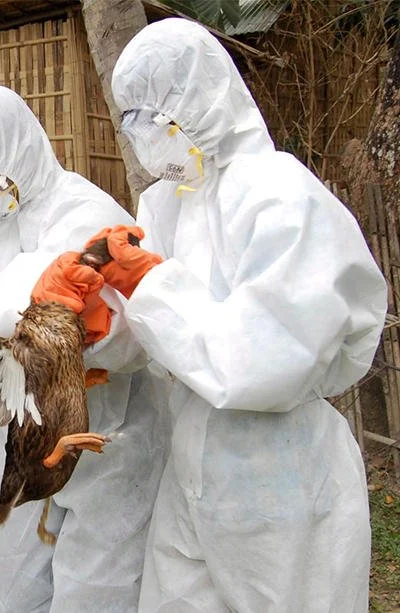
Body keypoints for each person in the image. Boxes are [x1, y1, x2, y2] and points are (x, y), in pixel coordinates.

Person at [97, 18, 387, 612]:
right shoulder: (165, 203)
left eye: (152, 116)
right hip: (190, 471)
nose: (143, 136)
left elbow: (262, 361)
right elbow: (151, 340)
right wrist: (92, 312)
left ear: (200, 97)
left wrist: (148, 285)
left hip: (282, 485)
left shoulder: (280, 194)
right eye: (130, 120)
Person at [0, 83, 169, 611]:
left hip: (107, 431)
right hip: (25, 429)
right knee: (17, 589)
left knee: (95, 590)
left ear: (16, 157)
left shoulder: (83, 210)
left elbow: (34, 314)